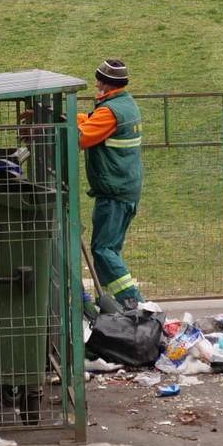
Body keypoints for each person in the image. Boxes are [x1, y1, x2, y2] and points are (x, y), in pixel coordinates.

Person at [77, 59, 145, 311]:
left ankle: (133, 303)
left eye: (99, 80)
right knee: (109, 250)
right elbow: (89, 119)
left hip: (114, 193)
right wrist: (59, 118)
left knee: (104, 250)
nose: (96, 84)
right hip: (125, 189)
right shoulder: (124, 104)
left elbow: (81, 137)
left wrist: (49, 129)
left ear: (108, 83)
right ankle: (121, 306)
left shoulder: (110, 111)